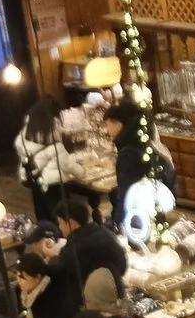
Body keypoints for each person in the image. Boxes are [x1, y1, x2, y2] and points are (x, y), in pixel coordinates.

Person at [54, 196, 129, 300]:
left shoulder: (73, 251)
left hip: (91, 304)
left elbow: (63, 279)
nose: (59, 227)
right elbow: (123, 265)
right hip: (117, 294)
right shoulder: (105, 232)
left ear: (71, 223)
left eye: (60, 223)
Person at [16, 95, 72, 219]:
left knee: (42, 209)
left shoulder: (29, 124)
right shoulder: (50, 126)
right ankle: (63, 235)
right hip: (51, 175)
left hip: (33, 174)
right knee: (60, 212)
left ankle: (47, 234)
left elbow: (21, 147)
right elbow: (57, 151)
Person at [109, 100, 152, 229]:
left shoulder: (128, 153)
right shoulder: (142, 142)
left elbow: (126, 191)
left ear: (119, 124)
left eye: (108, 124)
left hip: (134, 217)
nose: (107, 130)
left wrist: (119, 220)